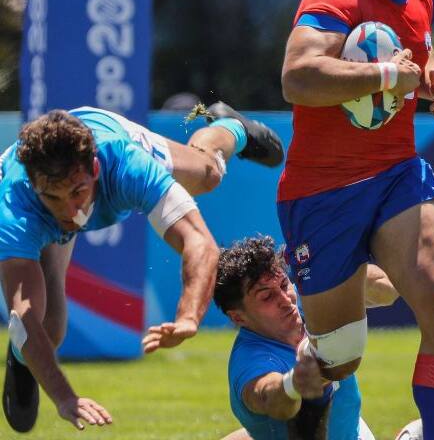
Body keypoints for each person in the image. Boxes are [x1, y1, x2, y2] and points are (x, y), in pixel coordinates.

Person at [279, 0, 434, 440]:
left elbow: (420, 58)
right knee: (338, 361)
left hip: (395, 174)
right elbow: (297, 77)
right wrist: (388, 75)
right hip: (322, 192)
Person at [0, 102, 284, 433]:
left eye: (78, 191)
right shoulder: (17, 203)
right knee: (45, 329)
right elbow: (23, 313)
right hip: (36, 217)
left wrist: (188, 316)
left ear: (94, 169)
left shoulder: (125, 163)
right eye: (54, 197)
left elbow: (199, 242)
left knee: (209, 174)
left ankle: (231, 126)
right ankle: (22, 357)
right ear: (36, 187)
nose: (70, 208)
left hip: (105, 133)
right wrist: (65, 397)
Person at [214, 236, 396, 439]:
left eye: (284, 285)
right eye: (267, 297)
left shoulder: (308, 302)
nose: (286, 301)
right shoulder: (252, 360)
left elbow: (388, 290)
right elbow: (267, 396)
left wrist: (336, 274)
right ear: (238, 317)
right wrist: (293, 384)